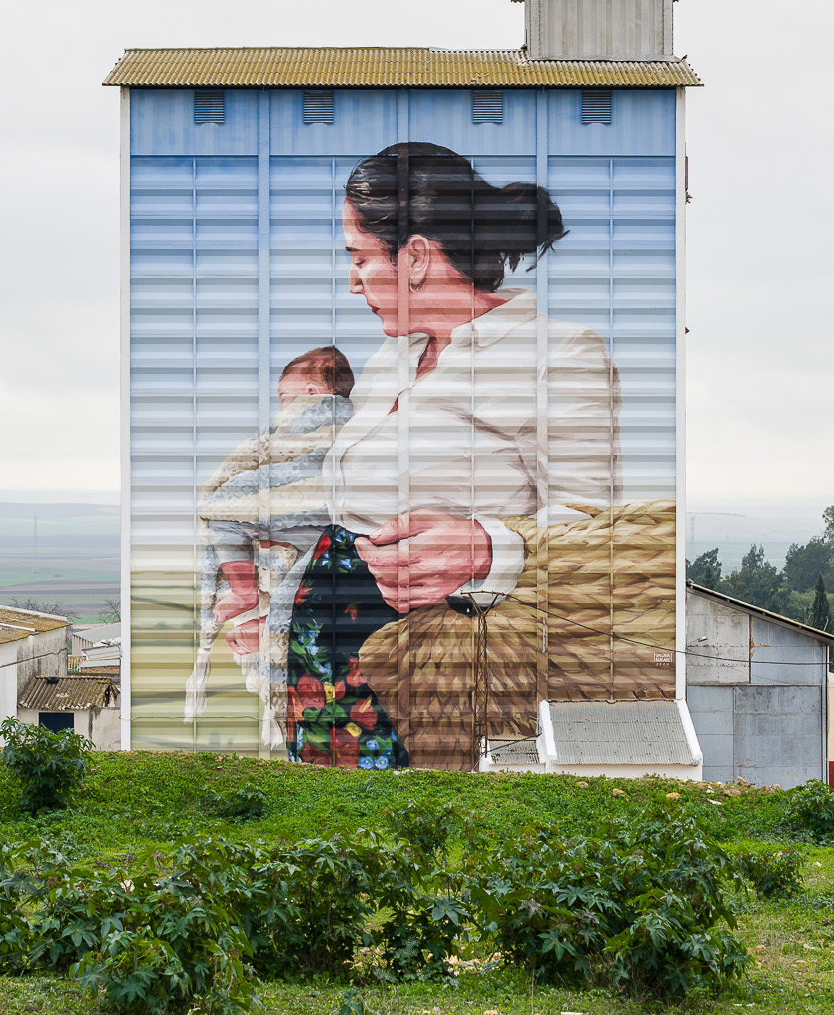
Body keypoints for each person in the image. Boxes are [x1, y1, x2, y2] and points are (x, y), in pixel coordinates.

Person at [288, 142, 629, 768]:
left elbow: (598, 532)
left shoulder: (558, 357)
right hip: (330, 650)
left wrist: (489, 547)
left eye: (359, 257)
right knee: (330, 819)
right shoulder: (390, 360)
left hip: (434, 657)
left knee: (425, 818)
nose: (352, 280)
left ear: (416, 256)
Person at [183, 346, 356, 745]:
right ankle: (269, 630)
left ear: (311, 392)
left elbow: (284, 454)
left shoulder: (319, 415)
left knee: (221, 512)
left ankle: (243, 590)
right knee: (298, 577)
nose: (282, 406)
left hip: (305, 500)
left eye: (284, 397)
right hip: (319, 522)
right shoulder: (354, 419)